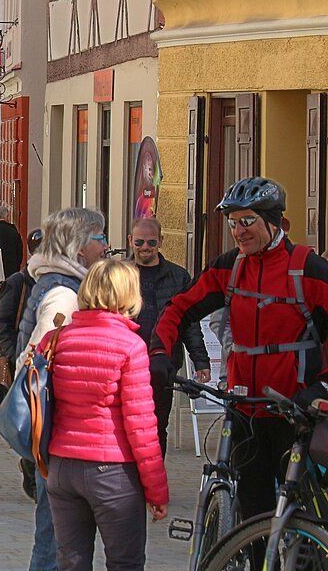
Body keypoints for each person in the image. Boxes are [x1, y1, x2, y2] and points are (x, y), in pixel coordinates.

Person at [150, 177, 328, 521]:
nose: (238, 231)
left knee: (305, 513)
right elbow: (178, 308)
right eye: (232, 222)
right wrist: (159, 354)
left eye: (247, 221)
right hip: (244, 409)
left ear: (275, 223)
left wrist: (321, 385)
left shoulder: (307, 269)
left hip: (295, 412)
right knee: (250, 512)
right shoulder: (229, 267)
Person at [45, 259, 169, 570]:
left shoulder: (57, 339)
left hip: (62, 467)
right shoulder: (130, 346)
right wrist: (156, 489)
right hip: (112, 471)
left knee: (71, 563)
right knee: (124, 562)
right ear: (129, 295)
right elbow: (141, 427)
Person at [19, 206, 108, 571]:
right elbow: (38, 366)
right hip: (58, 431)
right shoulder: (63, 296)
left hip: (53, 431)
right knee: (56, 539)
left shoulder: (58, 285)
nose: (105, 247)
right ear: (79, 246)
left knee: (56, 534)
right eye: (100, 238)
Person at [127, 218, 209, 455]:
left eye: (151, 242)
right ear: (131, 241)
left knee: (158, 424)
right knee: (128, 424)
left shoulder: (178, 276)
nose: (145, 247)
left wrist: (200, 361)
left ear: (161, 241)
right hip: (127, 363)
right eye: (139, 241)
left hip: (164, 364)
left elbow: (189, 323)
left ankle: (154, 479)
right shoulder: (120, 273)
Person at [0, 229, 44, 370]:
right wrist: (16, 356)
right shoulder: (17, 282)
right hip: (22, 362)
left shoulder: (55, 282)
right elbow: (1, 322)